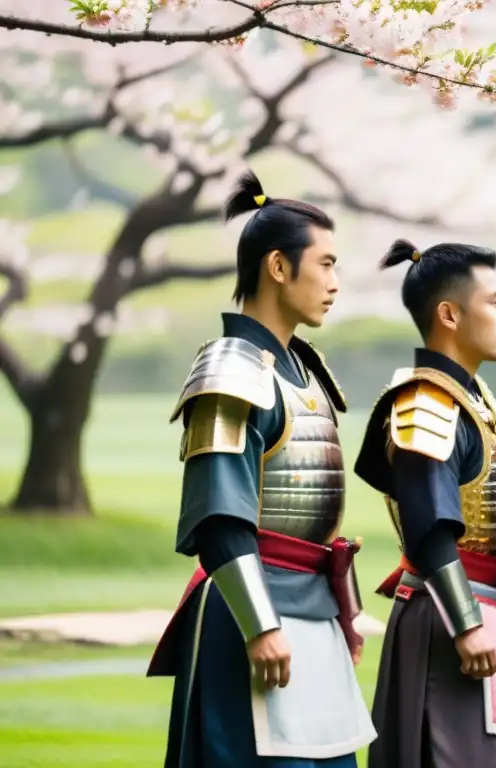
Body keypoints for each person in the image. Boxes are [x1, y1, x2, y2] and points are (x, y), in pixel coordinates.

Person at [147, 170, 376, 767]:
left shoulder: (306, 370)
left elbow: (316, 532)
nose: (335, 283)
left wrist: (341, 613)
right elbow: (220, 516)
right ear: (278, 267)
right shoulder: (231, 373)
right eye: (324, 264)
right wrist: (260, 624)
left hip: (309, 612)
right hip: (250, 615)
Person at [353, 238, 496, 768]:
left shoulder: (468, 399)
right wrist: (466, 624)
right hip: (451, 615)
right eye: (495, 302)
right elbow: (429, 526)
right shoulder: (426, 405)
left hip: (478, 611)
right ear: (449, 314)